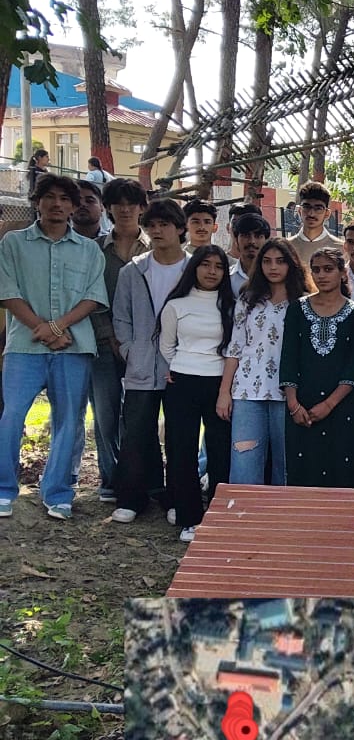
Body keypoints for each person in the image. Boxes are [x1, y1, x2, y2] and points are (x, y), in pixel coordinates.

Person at [0, 175, 107, 520]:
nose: (57, 204)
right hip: (24, 345)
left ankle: (58, 493)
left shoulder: (89, 250)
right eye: (49, 197)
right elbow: (7, 291)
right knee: (12, 415)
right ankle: (3, 489)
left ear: (73, 207)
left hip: (73, 347)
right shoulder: (13, 243)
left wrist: (58, 327)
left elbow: (93, 296)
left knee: (69, 420)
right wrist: (43, 329)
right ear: (37, 202)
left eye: (64, 198)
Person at [109, 199, 190, 524]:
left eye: (164, 224)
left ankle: (177, 499)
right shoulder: (133, 270)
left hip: (183, 367)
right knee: (137, 433)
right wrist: (130, 350)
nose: (157, 231)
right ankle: (133, 498)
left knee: (179, 435)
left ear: (180, 228)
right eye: (151, 225)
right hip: (141, 364)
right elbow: (121, 316)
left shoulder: (194, 269)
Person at [217, 238, 313, 486]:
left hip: (288, 395)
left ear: (291, 265)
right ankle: (243, 510)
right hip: (247, 392)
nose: (273, 267)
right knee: (244, 462)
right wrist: (224, 393)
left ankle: (282, 511)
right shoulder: (248, 300)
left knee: (287, 465)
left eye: (280, 261)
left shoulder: (304, 303)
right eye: (267, 261)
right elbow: (235, 347)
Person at [158, 246, 236, 542]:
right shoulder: (176, 305)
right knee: (182, 451)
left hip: (219, 385)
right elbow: (167, 346)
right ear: (195, 268)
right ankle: (189, 517)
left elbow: (234, 348)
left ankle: (217, 517)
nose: (212, 271)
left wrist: (225, 387)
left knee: (220, 452)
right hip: (182, 383)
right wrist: (179, 366)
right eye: (205, 265)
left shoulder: (231, 305)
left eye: (219, 266)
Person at [280, 249, 354, 488]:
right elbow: (289, 357)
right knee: (303, 470)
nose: (321, 275)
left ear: (343, 273)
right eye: (316, 270)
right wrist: (293, 405)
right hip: (302, 407)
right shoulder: (297, 309)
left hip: (342, 405)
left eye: (328, 269)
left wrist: (329, 404)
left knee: (341, 469)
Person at [89, 177, 150, 503]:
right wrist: (111, 336)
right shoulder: (95, 250)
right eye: (118, 204)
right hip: (102, 344)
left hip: (145, 347)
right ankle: (110, 479)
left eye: (132, 203)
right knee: (106, 415)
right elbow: (90, 297)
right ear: (108, 208)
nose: (125, 209)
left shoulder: (155, 248)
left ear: (142, 208)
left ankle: (139, 479)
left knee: (138, 416)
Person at [288, 181, 343, 262]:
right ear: (299, 211)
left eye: (318, 208)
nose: (311, 213)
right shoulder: (287, 247)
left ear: (327, 214)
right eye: (307, 207)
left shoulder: (340, 249)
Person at [229, 213, 271, 297]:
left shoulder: (275, 276)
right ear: (236, 240)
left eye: (258, 236)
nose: (252, 241)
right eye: (246, 235)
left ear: (266, 241)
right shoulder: (227, 277)